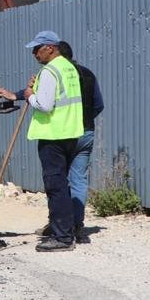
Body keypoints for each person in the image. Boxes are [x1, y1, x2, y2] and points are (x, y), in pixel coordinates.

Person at [0, 31, 84, 251]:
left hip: (53, 135)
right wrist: (18, 94)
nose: (34, 53)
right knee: (64, 185)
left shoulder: (50, 70)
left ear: (50, 48)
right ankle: (63, 228)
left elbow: (44, 104)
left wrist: (28, 95)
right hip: (70, 132)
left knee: (55, 186)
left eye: (37, 49)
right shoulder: (68, 67)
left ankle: (62, 238)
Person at [57, 40, 104, 245]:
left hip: (64, 133)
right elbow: (98, 105)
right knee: (79, 180)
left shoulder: (57, 74)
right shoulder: (88, 73)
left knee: (59, 180)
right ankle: (77, 224)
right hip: (86, 132)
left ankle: (61, 224)